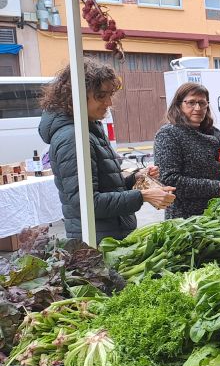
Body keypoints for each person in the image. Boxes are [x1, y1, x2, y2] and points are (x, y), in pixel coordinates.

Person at [38, 58, 174, 242]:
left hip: (110, 235)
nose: (109, 102)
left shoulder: (91, 127)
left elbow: (106, 187)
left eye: (110, 94)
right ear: (75, 95)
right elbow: (86, 204)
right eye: (101, 96)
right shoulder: (73, 138)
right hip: (95, 241)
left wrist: (135, 178)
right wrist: (143, 196)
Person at [155, 82, 220, 219]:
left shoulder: (209, 134)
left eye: (202, 103)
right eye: (191, 102)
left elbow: (212, 176)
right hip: (185, 220)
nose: (197, 108)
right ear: (179, 105)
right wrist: (216, 188)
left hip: (213, 214)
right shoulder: (168, 134)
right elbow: (169, 180)